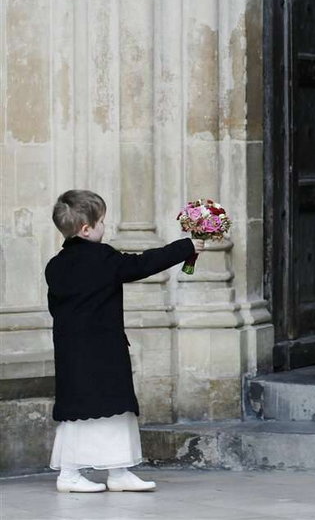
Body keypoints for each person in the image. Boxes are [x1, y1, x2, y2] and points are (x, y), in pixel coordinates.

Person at [46, 190, 203, 493]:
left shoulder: (55, 265)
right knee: (102, 409)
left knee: (96, 409)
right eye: (102, 221)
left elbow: (57, 307)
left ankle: (118, 472)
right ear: (87, 229)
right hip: (103, 348)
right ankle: (69, 474)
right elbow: (142, 264)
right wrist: (186, 246)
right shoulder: (102, 258)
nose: (106, 226)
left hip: (71, 350)